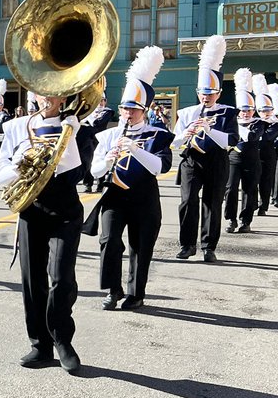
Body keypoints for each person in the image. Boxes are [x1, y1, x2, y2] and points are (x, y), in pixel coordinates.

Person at [0, 86, 84, 374]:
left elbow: (77, 173)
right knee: (32, 280)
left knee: (61, 277)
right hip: (31, 210)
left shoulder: (75, 125)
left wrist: (69, 139)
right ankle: (40, 345)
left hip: (65, 211)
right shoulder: (15, 127)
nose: (47, 97)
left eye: (54, 93)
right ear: (33, 94)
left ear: (63, 97)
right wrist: (23, 166)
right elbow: (1, 174)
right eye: (41, 91)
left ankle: (62, 340)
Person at [83, 47, 174, 311]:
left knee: (140, 245)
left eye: (134, 110)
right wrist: (109, 159)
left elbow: (159, 168)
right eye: (125, 109)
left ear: (144, 110)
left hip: (144, 197)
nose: (128, 114)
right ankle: (113, 289)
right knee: (108, 240)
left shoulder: (157, 134)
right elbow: (95, 172)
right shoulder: (109, 136)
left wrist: (136, 149)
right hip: (115, 196)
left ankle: (136, 293)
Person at [174, 35, 237, 262]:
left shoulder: (228, 112)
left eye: (210, 94)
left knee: (212, 203)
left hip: (216, 160)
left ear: (218, 93)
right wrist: (186, 132)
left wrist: (209, 130)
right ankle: (187, 244)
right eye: (203, 93)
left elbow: (231, 141)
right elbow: (174, 143)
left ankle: (208, 246)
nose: (206, 97)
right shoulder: (187, 113)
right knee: (187, 201)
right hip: (191, 160)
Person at [224, 68, 262, 235]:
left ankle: (245, 221)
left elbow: (253, 137)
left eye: (248, 110)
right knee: (230, 188)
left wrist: (238, 127)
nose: (246, 113)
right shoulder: (231, 121)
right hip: (234, 158)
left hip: (252, 159)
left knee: (249, 189)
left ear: (253, 110)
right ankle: (231, 219)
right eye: (243, 110)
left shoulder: (258, 123)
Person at [79, 95, 117, 193]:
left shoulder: (107, 111)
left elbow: (97, 123)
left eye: (103, 100)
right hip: (88, 141)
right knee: (88, 162)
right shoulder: (89, 112)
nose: (100, 103)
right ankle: (88, 184)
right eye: (98, 100)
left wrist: (88, 116)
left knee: (101, 162)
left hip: (100, 141)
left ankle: (100, 184)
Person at [261, 80, 278, 216]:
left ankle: (266, 203)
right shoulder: (256, 122)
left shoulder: (275, 123)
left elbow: (268, 137)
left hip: (270, 151)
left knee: (269, 178)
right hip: (255, 153)